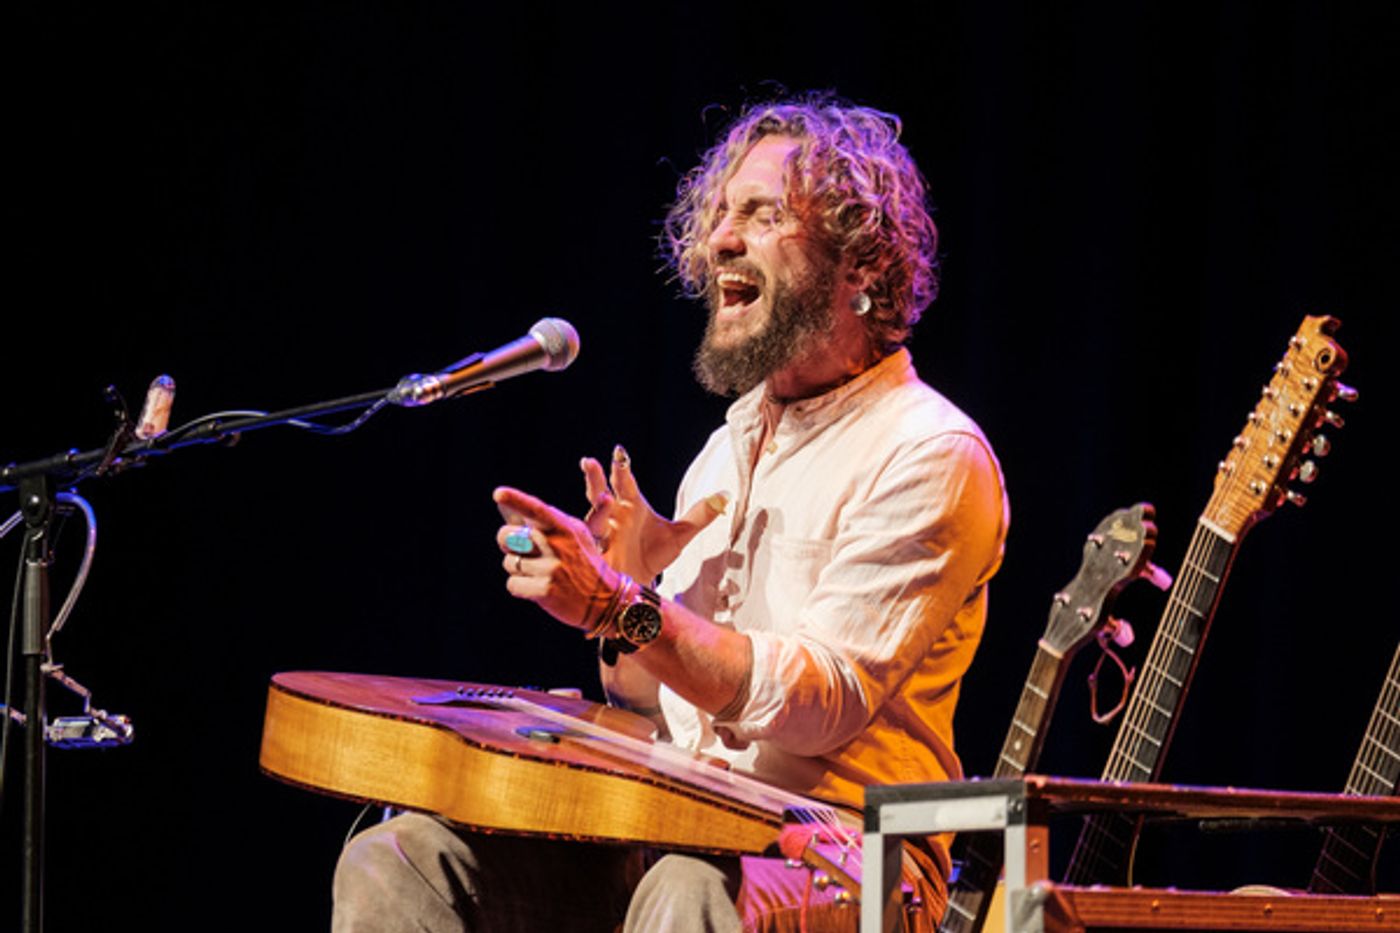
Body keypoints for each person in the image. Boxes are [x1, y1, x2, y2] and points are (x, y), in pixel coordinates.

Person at [332, 94, 1009, 932]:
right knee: (399, 861)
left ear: (860, 262)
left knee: (688, 890)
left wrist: (625, 603)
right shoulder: (723, 454)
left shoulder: (931, 451)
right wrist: (623, 603)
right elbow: (664, 703)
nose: (721, 238)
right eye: (721, 214)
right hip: (683, 824)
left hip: (858, 858)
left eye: (762, 215)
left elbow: (819, 704)